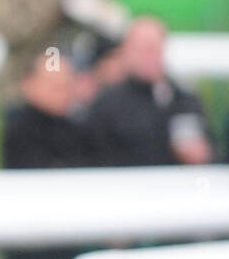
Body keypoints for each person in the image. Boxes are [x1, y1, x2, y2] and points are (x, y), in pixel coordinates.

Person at [2, 51, 97, 259]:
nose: (63, 92)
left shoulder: (81, 127)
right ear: (29, 85)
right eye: (54, 85)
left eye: (67, 85)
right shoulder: (18, 130)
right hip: (34, 251)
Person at [85, 16, 212, 167]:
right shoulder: (106, 104)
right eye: (143, 49)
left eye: (154, 48)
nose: (149, 56)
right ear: (126, 51)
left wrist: (201, 155)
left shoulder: (184, 100)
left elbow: (212, 153)